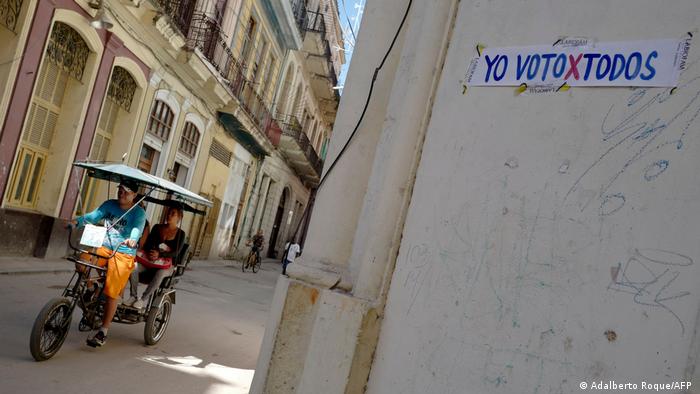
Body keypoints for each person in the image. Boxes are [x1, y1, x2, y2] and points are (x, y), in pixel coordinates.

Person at [69, 179, 146, 348]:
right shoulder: (109, 205)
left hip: (123, 252)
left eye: (126, 191)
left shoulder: (138, 213)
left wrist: (132, 240)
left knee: (112, 291)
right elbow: (93, 216)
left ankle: (103, 331)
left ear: (134, 195)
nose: (121, 193)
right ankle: (91, 290)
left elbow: (136, 230)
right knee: (81, 262)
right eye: (120, 189)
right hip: (104, 246)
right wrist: (77, 221)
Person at [127, 205, 186, 309]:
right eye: (168, 212)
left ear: (179, 217)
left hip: (166, 266)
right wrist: (151, 252)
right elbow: (148, 243)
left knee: (161, 273)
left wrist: (160, 254)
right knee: (134, 266)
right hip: (149, 262)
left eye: (173, 214)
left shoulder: (181, 234)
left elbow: (176, 253)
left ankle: (142, 299)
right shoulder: (157, 227)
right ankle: (133, 296)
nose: (169, 215)